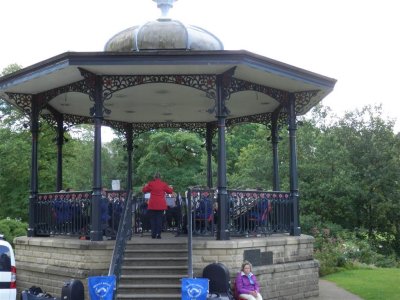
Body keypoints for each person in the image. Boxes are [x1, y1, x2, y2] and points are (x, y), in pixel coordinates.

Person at [142, 172, 173, 239]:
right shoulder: (163, 184)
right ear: (160, 177)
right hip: (161, 205)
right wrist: (171, 187)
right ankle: (158, 234)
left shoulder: (151, 183)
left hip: (153, 204)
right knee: (159, 219)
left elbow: (144, 190)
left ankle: (153, 234)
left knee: (153, 220)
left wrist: (145, 186)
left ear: (154, 177)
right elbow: (170, 191)